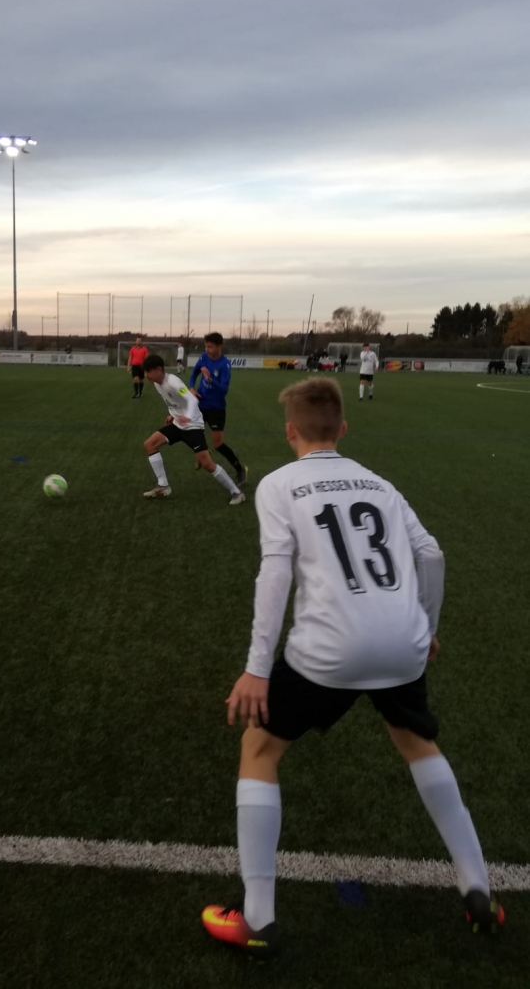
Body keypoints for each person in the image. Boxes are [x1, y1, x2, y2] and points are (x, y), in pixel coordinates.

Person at [201, 378, 504, 960]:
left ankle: (258, 919)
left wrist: (257, 668)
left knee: (260, 748)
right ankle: (479, 891)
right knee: (417, 742)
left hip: (330, 648)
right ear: (342, 429)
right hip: (402, 641)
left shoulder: (279, 484)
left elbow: (275, 572)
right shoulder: (379, 483)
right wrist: (426, 627)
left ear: (289, 431)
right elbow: (431, 553)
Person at [141, 355, 244, 505]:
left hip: (193, 427)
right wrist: (173, 416)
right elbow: (175, 402)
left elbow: (192, 399)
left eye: (148, 372)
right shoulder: (158, 384)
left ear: (158, 369)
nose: (146, 375)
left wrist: (187, 417)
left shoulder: (173, 382)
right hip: (177, 424)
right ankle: (163, 485)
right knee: (149, 445)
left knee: (207, 464)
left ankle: (237, 493)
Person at [188, 332, 248, 486]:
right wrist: (191, 388)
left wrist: (210, 380)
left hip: (216, 408)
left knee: (218, 444)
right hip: (200, 404)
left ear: (219, 346)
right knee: (191, 432)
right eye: (206, 346)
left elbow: (224, 390)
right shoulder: (203, 358)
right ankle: (203, 455)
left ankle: (240, 469)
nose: (207, 349)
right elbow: (193, 375)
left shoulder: (224, 365)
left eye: (210, 347)